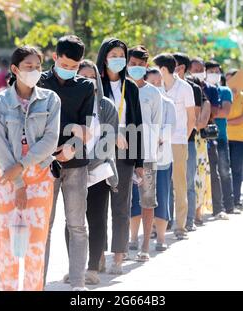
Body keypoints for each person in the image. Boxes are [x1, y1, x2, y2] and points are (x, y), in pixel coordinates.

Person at [0, 46, 61, 291]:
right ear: (15, 69)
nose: (34, 71)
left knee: (35, 248)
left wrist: (22, 165)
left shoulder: (51, 100)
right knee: (7, 248)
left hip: (40, 178)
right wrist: (18, 181)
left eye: (37, 67)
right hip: (7, 179)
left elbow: (51, 140)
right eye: (28, 66)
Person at [38, 35, 95, 291]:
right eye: (65, 64)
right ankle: (37, 282)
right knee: (43, 227)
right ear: (54, 58)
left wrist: (72, 146)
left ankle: (78, 283)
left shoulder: (85, 87)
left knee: (76, 225)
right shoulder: (38, 82)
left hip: (76, 162)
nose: (70, 70)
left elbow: (87, 126)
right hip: (42, 164)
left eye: (75, 66)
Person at [63, 59, 119, 284]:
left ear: (98, 80)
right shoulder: (70, 103)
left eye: (91, 77)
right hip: (72, 169)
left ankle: (93, 267)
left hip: (98, 170)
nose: (87, 81)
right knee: (72, 221)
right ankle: (75, 268)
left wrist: (88, 162)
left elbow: (109, 139)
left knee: (96, 220)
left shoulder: (106, 106)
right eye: (82, 77)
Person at [96, 38, 144, 274]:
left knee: (121, 204)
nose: (118, 59)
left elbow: (138, 124)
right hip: (99, 149)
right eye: (113, 55)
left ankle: (118, 257)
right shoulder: (94, 84)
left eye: (121, 55)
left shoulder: (131, 87)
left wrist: (139, 162)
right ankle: (98, 256)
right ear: (104, 57)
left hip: (125, 150)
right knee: (98, 204)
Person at [153, 53, 196, 240]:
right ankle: (158, 225)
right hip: (159, 143)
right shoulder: (156, 87)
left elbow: (192, 119)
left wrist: (183, 140)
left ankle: (180, 226)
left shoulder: (185, 88)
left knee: (180, 184)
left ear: (163, 69)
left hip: (178, 142)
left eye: (156, 69)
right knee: (159, 185)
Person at [128, 46, 162, 261]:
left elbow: (156, 124)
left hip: (147, 156)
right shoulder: (120, 89)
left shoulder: (153, 92)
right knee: (120, 203)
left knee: (147, 201)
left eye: (141, 65)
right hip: (122, 155)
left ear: (146, 67)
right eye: (133, 64)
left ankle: (145, 246)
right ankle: (120, 245)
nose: (136, 68)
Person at [190, 58, 227, 221]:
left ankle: (217, 208)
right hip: (190, 136)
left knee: (212, 172)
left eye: (200, 69)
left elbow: (215, 111)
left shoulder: (210, 89)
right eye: (195, 69)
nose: (198, 72)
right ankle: (193, 211)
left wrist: (202, 113)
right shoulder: (187, 87)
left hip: (206, 137)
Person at [144, 68, 176, 251]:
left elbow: (170, 128)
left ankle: (161, 238)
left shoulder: (168, 103)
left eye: (159, 82)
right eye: (153, 82)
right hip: (144, 156)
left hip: (162, 156)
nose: (156, 85)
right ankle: (145, 236)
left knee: (162, 196)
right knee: (143, 199)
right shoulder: (141, 98)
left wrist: (156, 137)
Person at [173, 52, 204, 231]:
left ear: (181, 67)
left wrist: (182, 139)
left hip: (188, 142)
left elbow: (194, 118)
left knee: (188, 182)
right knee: (169, 184)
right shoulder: (163, 85)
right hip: (167, 143)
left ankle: (188, 220)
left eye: (173, 65)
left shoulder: (193, 88)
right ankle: (168, 220)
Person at [205, 61, 239, 215]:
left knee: (224, 171)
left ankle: (229, 206)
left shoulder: (225, 91)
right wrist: (212, 110)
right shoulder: (202, 89)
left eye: (216, 71)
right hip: (204, 138)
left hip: (221, 137)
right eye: (210, 71)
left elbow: (225, 112)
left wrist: (207, 112)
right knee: (209, 174)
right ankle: (215, 207)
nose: (214, 74)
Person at [225, 69, 243, 207]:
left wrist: (226, 121)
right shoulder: (222, 95)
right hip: (224, 138)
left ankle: (236, 198)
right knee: (224, 170)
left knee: (237, 170)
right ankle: (225, 199)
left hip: (240, 139)